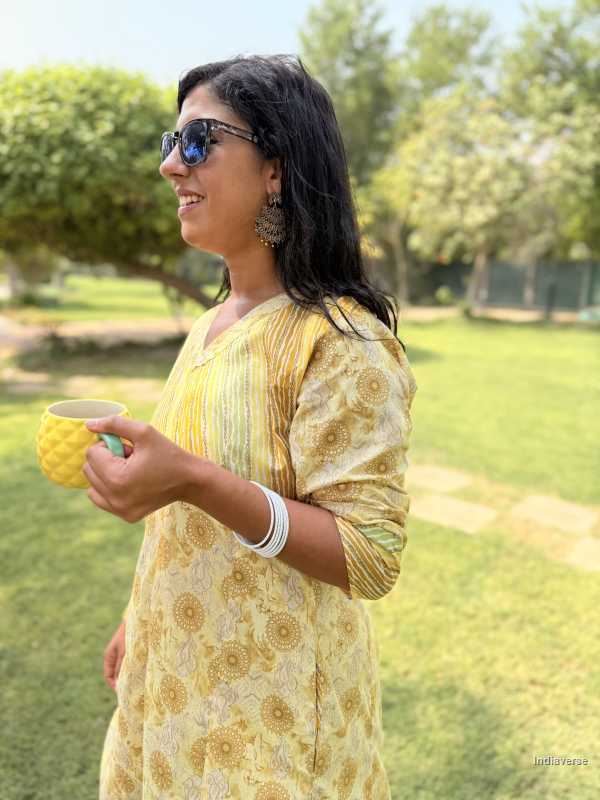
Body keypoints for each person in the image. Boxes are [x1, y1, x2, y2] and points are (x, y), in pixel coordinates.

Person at [85, 53, 418, 800]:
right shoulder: (208, 327)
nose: (172, 165)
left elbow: (367, 556)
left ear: (277, 168)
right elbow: (181, 522)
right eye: (168, 144)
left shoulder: (341, 343)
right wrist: (138, 615)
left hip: (269, 719)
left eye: (198, 140)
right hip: (171, 682)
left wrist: (196, 481)